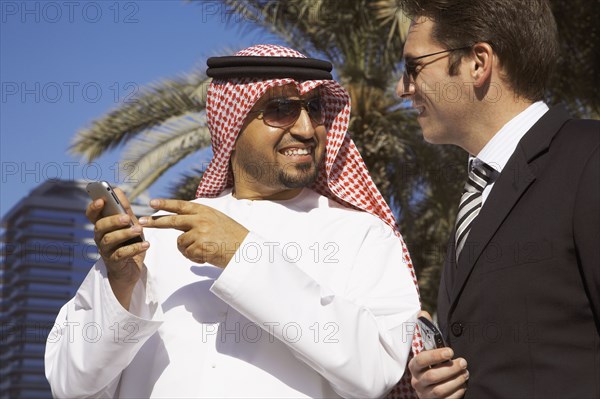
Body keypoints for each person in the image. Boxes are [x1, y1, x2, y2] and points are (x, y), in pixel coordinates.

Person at [45, 44, 422, 398]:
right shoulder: (157, 236)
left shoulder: (363, 235)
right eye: (281, 109)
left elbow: (374, 371)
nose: (307, 129)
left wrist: (243, 255)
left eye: (315, 108)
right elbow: (71, 383)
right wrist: (120, 288)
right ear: (233, 122)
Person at [395, 0, 600, 398]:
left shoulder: (589, 158)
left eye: (414, 67)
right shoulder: (480, 190)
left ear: (478, 62)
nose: (404, 88)